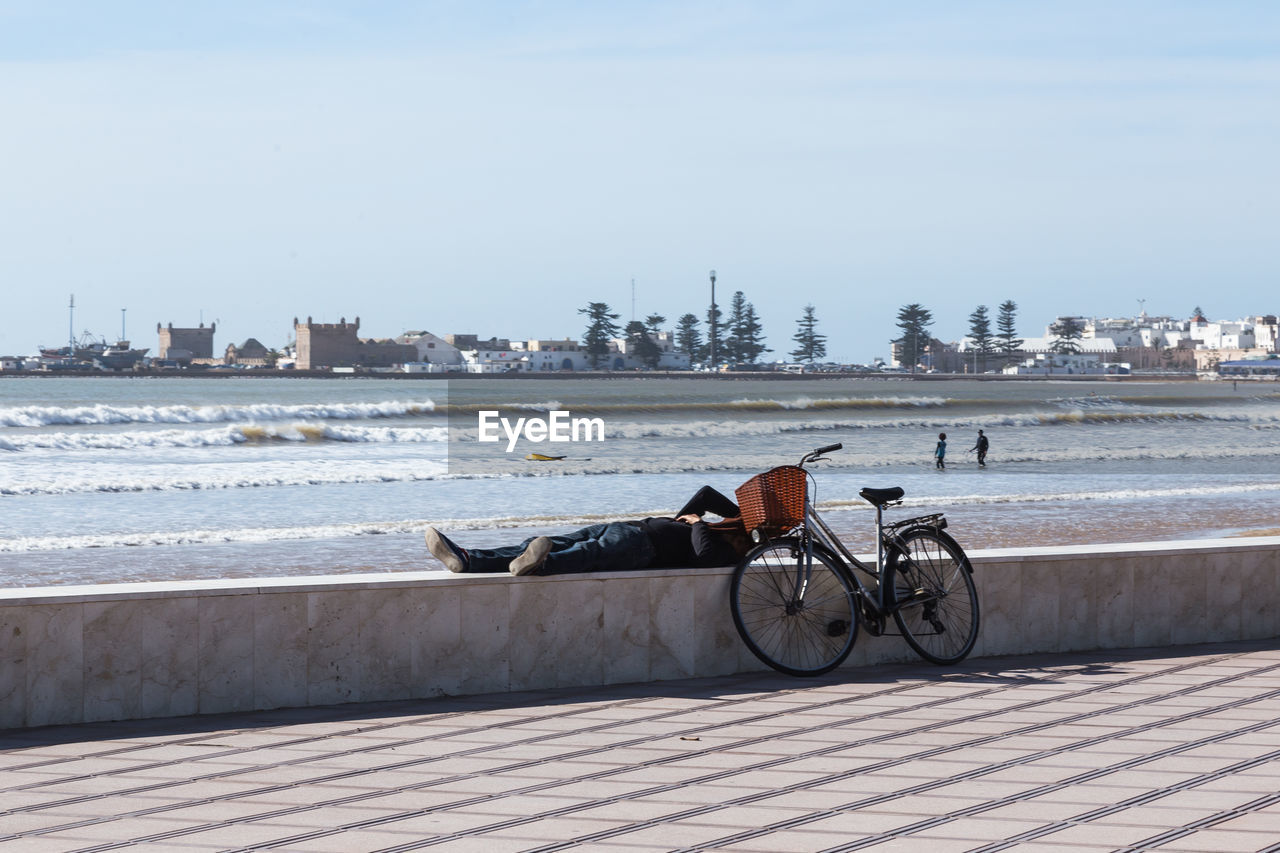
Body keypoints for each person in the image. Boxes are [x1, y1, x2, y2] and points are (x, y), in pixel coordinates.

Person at [425, 485, 751, 577]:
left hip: (642, 546)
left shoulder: (729, 550)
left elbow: (704, 556)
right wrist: (738, 515)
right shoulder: (723, 529)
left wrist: (700, 524)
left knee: (586, 554)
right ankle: (467, 559)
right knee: (547, 542)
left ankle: (541, 565)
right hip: (626, 529)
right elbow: (706, 495)